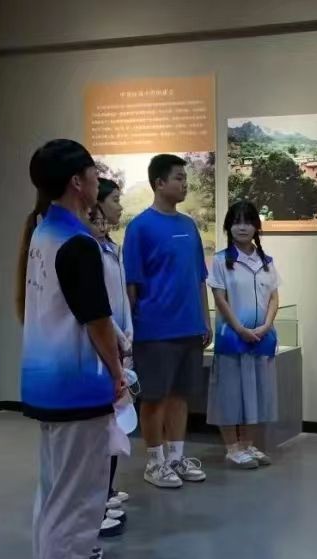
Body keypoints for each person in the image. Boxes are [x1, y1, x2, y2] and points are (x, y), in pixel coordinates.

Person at [18, 139, 121, 559]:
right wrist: (118, 373)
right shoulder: (77, 242)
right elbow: (96, 320)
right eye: (93, 172)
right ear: (77, 182)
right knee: (78, 498)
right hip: (77, 387)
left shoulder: (44, 232)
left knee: (55, 492)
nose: (99, 178)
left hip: (48, 386)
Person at [123, 154, 211, 489]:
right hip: (154, 329)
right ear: (159, 183)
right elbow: (131, 285)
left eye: (185, 178)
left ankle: (176, 457)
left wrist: (204, 319)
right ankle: (155, 462)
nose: (184, 184)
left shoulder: (189, 226)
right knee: (154, 396)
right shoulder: (140, 227)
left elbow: (199, 278)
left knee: (180, 395)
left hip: (189, 327)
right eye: (178, 178)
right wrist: (131, 330)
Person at [206, 201, 281, 469]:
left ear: (256, 227)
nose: (242, 227)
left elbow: (274, 297)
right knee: (229, 393)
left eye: (248, 222)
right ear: (228, 226)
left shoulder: (266, 262)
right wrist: (240, 328)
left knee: (256, 392)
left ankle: (248, 445)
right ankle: (232, 448)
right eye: (236, 222)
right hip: (233, 338)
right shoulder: (220, 261)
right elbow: (220, 298)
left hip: (261, 338)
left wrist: (266, 326)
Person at [88, 179, 134, 540]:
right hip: (103, 347)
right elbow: (98, 306)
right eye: (115, 200)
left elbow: (121, 301)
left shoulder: (112, 249)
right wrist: (117, 335)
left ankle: (107, 491)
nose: (119, 207)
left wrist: (128, 333)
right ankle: (96, 501)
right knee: (101, 428)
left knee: (116, 423)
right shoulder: (88, 250)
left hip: (121, 344)